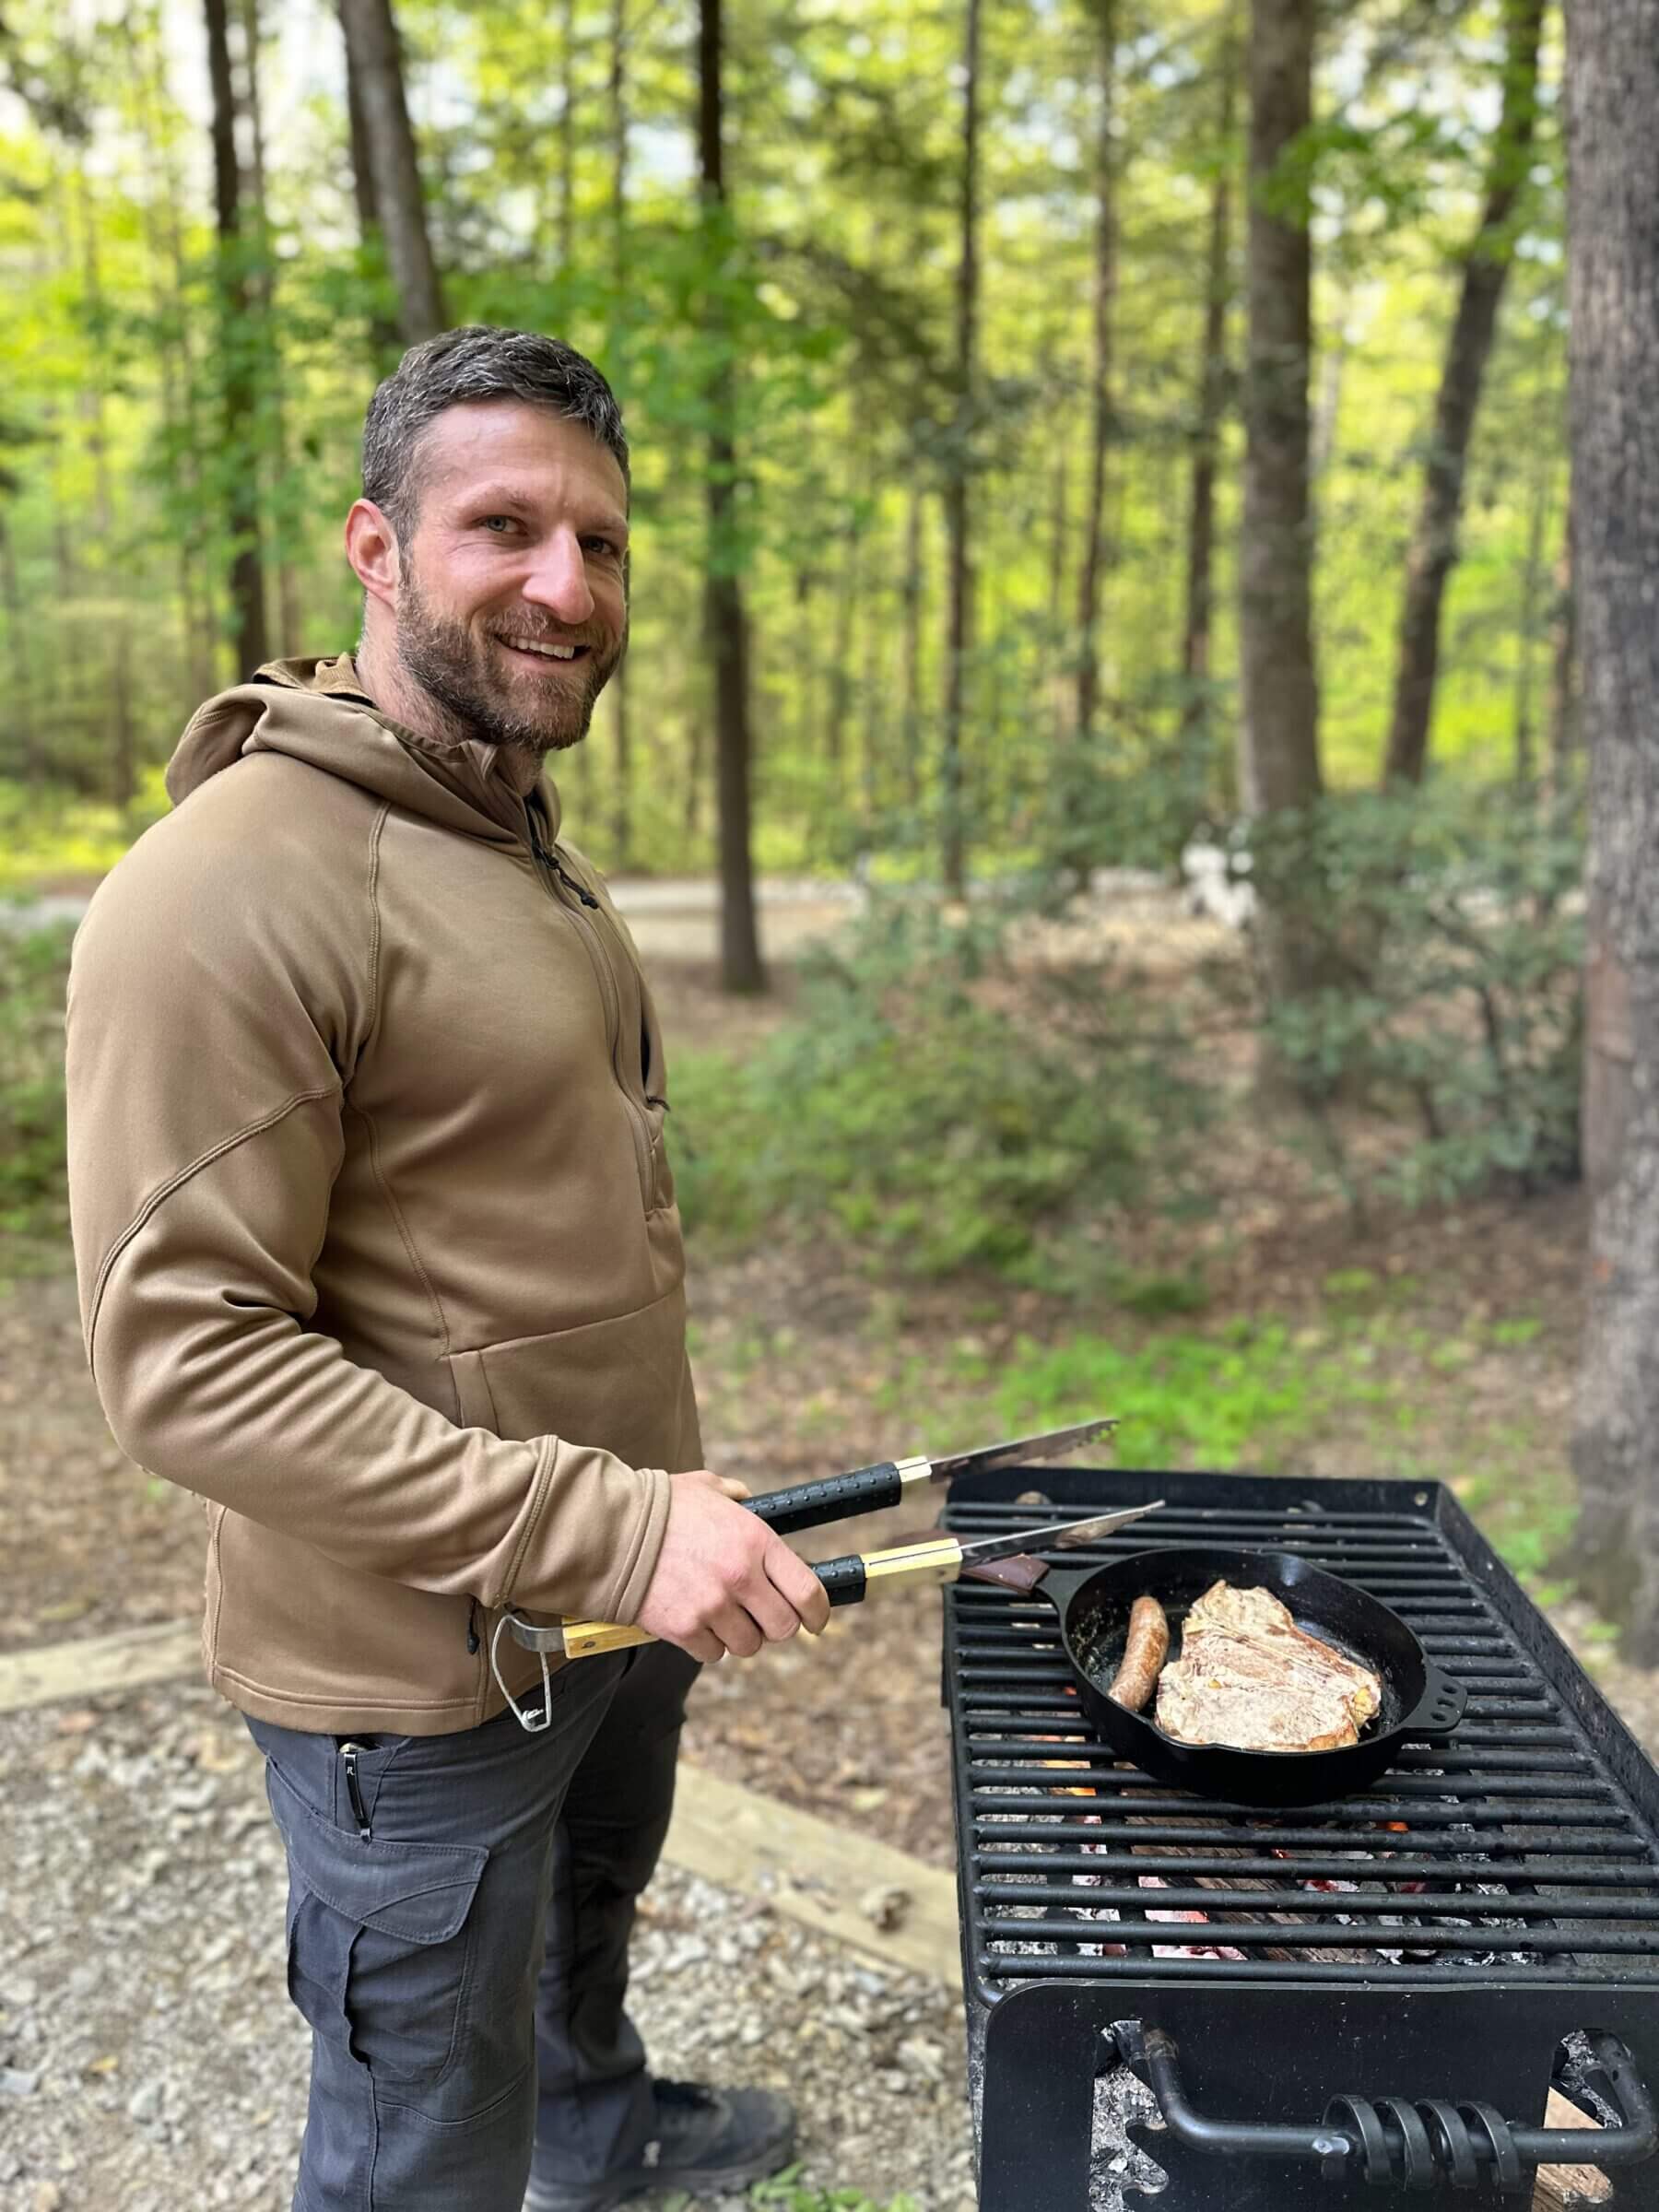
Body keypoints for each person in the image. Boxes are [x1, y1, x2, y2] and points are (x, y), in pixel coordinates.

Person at [64, 325, 831, 2212]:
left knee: (579, 1944)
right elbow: (190, 1365)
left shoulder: (511, 837)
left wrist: (646, 1528)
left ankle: (596, 2145)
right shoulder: (230, 888)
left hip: (603, 1594)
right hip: (417, 1670)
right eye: (504, 526)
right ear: (375, 547)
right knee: (419, 2122)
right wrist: (619, 1533)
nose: (568, 586)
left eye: (602, 542)